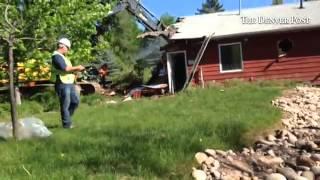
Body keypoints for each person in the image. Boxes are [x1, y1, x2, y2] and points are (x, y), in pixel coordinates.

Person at [51, 38, 85, 129]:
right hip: (62, 83)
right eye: (67, 47)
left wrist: (76, 72)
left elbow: (69, 70)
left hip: (69, 83)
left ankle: (67, 119)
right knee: (65, 105)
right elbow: (65, 68)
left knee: (75, 102)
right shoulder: (56, 56)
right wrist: (77, 67)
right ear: (61, 45)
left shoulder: (64, 57)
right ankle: (67, 125)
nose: (68, 50)